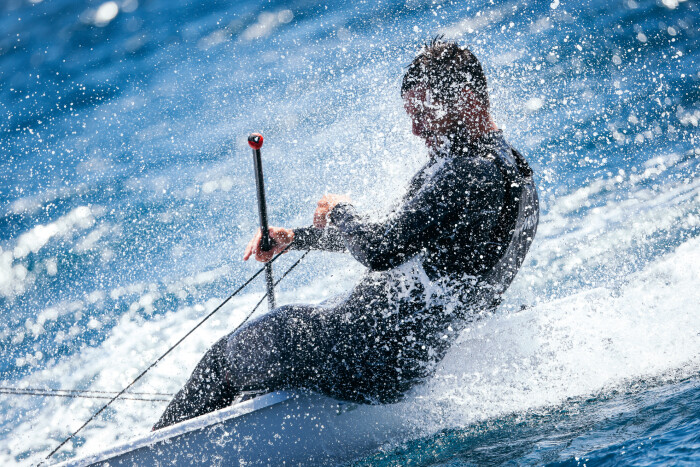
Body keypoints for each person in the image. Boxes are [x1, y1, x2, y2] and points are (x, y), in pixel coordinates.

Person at [153, 37, 539, 430]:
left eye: (424, 115)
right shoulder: (514, 173)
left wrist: (339, 208)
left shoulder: (465, 172)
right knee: (299, 324)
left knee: (223, 359)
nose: (415, 130)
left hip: (366, 352)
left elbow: (381, 248)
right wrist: (297, 238)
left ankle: (156, 447)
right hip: (402, 354)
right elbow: (400, 238)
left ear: (467, 100)